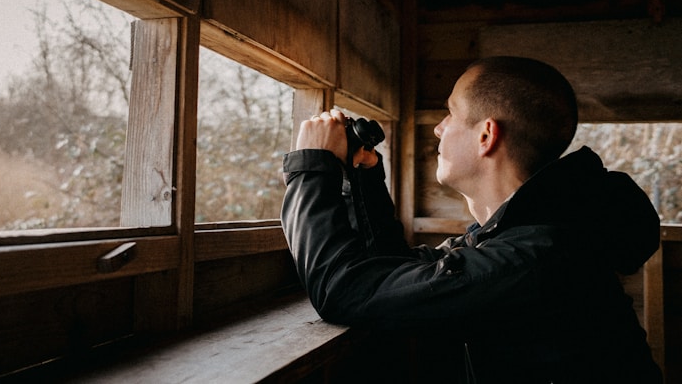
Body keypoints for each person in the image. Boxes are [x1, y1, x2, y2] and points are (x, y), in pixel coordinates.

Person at [280, 56, 662, 383]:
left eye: (451, 114)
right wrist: (365, 177)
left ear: (486, 135)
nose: (438, 128)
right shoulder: (525, 236)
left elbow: (343, 293)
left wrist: (313, 167)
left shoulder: (535, 258)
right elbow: (394, 276)